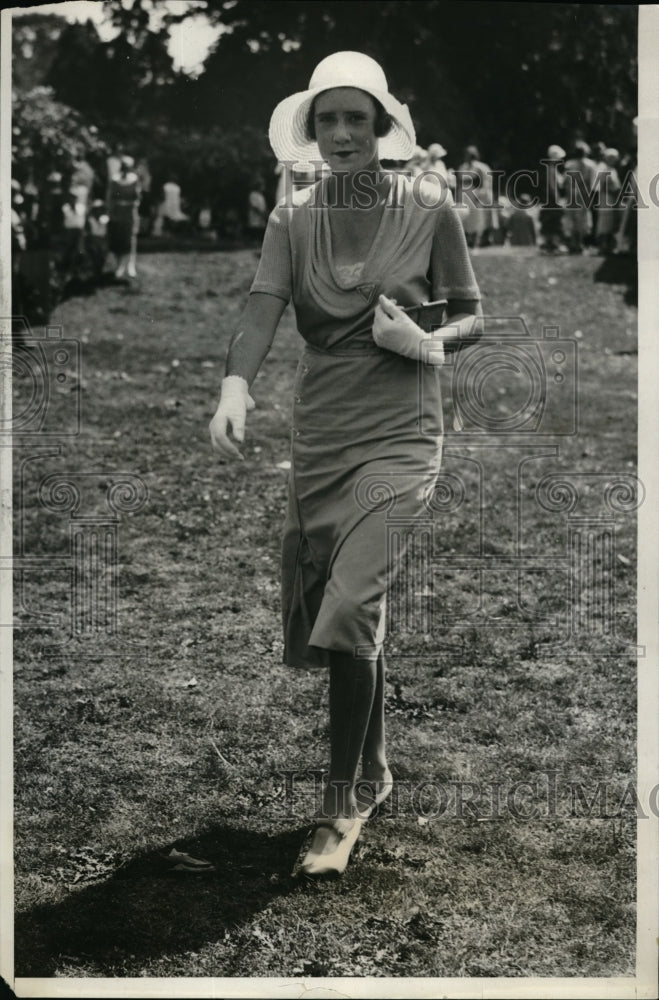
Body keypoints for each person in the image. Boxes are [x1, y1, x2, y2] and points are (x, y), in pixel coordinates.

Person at [209, 51, 482, 878]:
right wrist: (233, 385)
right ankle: (376, 768)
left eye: (353, 119)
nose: (338, 134)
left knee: (355, 598)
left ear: (380, 128)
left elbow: (471, 314)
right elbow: (261, 310)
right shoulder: (292, 218)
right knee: (345, 613)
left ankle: (341, 805)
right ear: (309, 130)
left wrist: (426, 341)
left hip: (402, 429)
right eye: (324, 120)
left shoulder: (431, 206)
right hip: (322, 431)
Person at [107, 154, 141, 279]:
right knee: (118, 238)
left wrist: (132, 205)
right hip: (118, 211)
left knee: (130, 238)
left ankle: (130, 265)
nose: (125, 169)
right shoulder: (115, 180)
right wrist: (112, 213)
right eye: (124, 167)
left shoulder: (134, 180)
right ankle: (119, 265)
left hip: (129, 212)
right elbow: (111, 198)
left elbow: (137, 199)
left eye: (128, 167)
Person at [539, 144, 566, 254]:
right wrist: (556, 200)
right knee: (553, 222)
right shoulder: (551, 168)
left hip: (550, 198)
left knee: (550, 222)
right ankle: (552, 244)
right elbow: (552, 186)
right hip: (552, 199)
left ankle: (550, 244)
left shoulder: (552, 168)